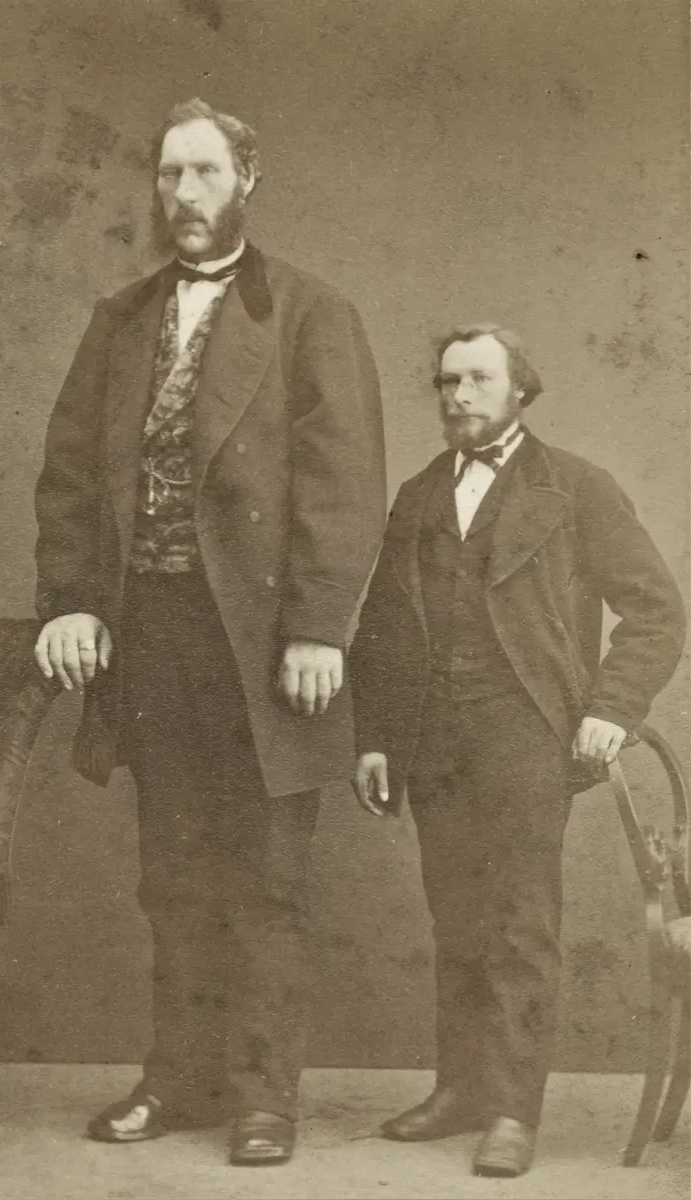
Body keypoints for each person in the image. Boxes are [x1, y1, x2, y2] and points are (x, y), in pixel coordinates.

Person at [33, 97, 386, 1166]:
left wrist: (318, 626)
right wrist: (73, 601)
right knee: (173, 873)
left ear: (247, 179)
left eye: (205, 173)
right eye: (169, 174)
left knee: (266, 878)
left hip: (268, 644)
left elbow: (342, 482)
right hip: (153, 635)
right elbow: (69, 473)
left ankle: (263, 1098)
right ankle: (177, 1078)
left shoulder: (312, 314)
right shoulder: (120, 318)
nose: (184, 194)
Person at [350, 324, 685, 1178]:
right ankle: (460, 1090)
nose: (458, 395)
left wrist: (609, 708)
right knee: (454, 918)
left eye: (477, 379)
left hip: (524, 734)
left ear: (520, 390)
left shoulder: (574, 487)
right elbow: (383, 628)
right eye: (446, 381)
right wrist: (376, 738)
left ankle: (511, 1110)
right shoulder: (420, 493)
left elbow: (655, 611)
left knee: (520, 923)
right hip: (431, 738)